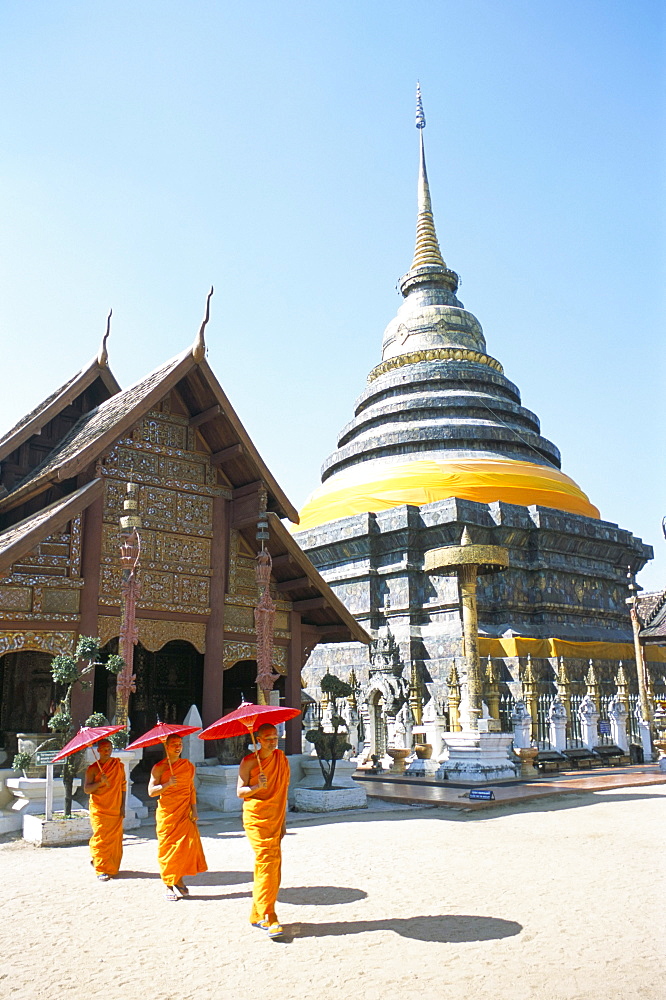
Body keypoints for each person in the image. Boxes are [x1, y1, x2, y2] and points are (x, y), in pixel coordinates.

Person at [237, 723, 290, 938]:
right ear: (258, 739)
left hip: (275, 816)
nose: (272, 741)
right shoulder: (249, 762)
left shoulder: (281, 759)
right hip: (257, 817)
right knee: (266, 860)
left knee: (271, 864)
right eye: (268, 738)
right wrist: (257, 786)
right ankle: (268, 914)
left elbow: (283, 791)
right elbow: (240, 792)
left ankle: (258, 913)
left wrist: (283, 820)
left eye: (275, 737)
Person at [148, 734, 207, 901]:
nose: (177, 747)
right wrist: (167, 784)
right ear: (166, 747)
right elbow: (151, 792)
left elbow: (191, 789)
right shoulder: (159, 768)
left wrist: (194, 810)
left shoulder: (187, 766)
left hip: (184, 813)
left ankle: (179, 879)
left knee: (183, 849)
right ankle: (168, 884)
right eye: (174, 744)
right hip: (167, 815)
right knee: (168, 849)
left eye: (180, 744)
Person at [83, 738, 126, 881]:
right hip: (100, 809)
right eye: (104, 749)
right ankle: (101, 868)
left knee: (115, 840)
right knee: (101, 838)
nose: (107, 751)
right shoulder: (93, 769)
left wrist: (122, 806)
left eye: (109, 748)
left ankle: (110, 865)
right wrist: (99, 782)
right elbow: (87, 789)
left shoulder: (118, 766)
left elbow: (123, 787)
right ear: (99, 751)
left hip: (115, 807)